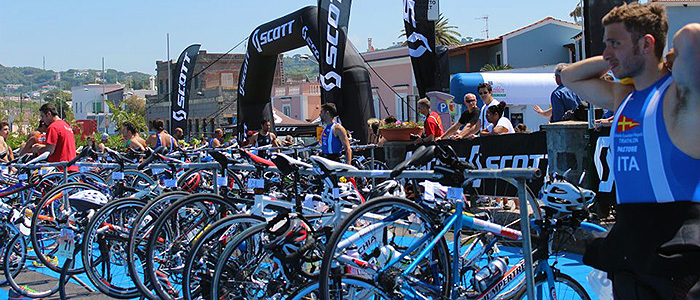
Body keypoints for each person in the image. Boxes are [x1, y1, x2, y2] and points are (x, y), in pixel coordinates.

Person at [561, 2, 700, 298]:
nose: (606, 52)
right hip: (629, 250)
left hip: (675, 253)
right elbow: (570, 77)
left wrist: (668, 56)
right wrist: (616, 59)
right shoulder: (624, 96)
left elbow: (691, 37)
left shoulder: (679, 97)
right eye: (605, 45)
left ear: (646, 44)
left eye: (615, 43)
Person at [33, 103, 78, 171]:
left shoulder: (53, 127)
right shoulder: (66, 125)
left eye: (43, 116)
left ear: (48, 114)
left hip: (60, 168)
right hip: (71, 166)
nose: (42, 120)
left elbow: (50, 150)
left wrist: (38, 149)